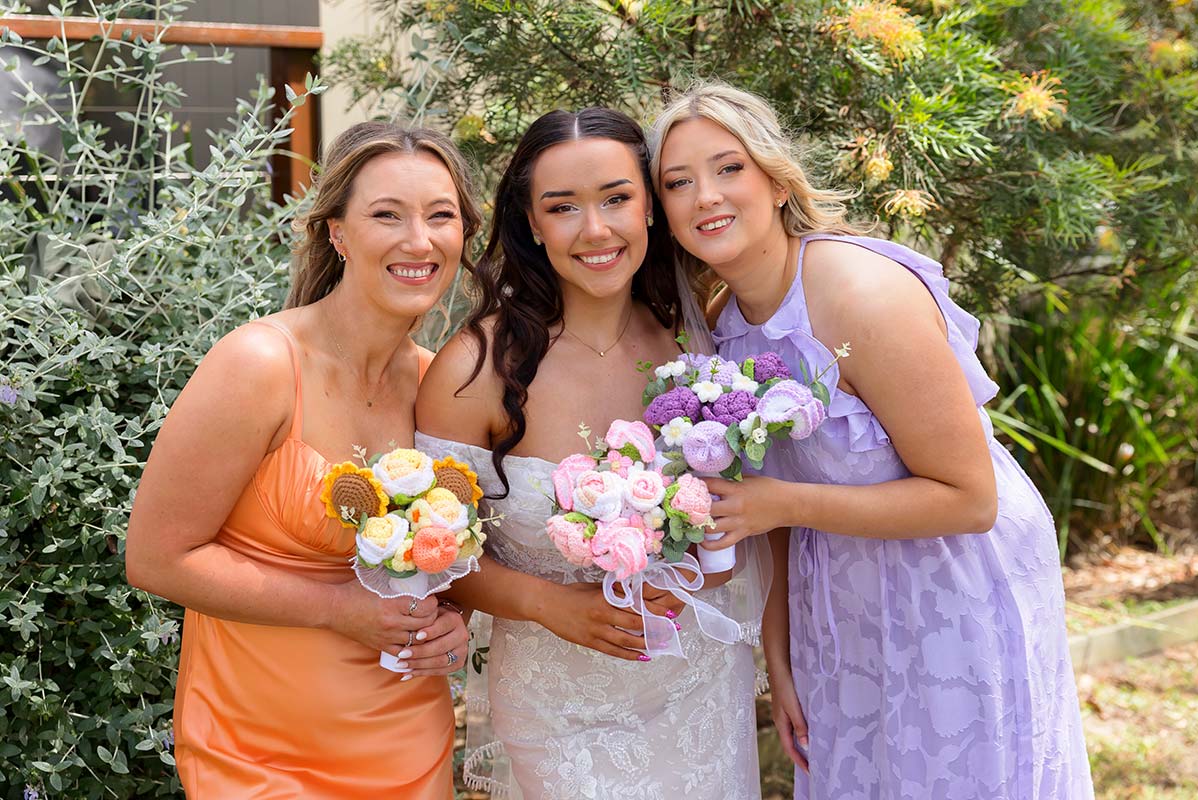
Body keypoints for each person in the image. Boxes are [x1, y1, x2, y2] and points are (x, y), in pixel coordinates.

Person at [650, 83, 1094, 799]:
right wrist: (782, 655)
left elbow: (970, 498)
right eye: (678, 181)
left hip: (953, 583)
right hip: (840, 598)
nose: (706, 196)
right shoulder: (722, 324)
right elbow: (772, 516)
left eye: (728, 168)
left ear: (773, 176)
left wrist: (779, 502)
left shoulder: (859, 293)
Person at [125, 122, 481, 798]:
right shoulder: (258, 365)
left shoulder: (441, 388)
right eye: (387, 215)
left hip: (407, 740)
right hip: (258, 754)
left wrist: (448, 628)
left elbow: (445, 575)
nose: (420, 240)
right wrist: (332, 607)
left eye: (442, 216)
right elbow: (154, 557)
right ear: (338, 233)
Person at [416, 108, 762, 798]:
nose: (595, 229)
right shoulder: (474, 369)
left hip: (699, 688)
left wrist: (705, 569)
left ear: (651, 210)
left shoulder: (702, 347)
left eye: (616, 198)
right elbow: (439, 552)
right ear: (533, 224)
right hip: (558, 708)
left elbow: (740, 522)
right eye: (563, 207)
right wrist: (546, 603)